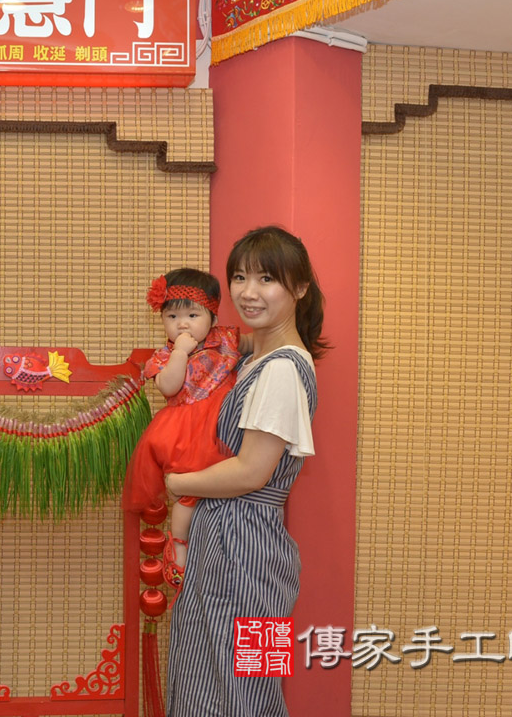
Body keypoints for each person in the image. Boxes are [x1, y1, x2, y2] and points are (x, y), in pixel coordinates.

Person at [164, 226, 327, 716]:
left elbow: (252, 471)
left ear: (300, 288)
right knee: (217, 675)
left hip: (243, 542)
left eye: (267, 279)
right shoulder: (259, 356)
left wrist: (178, 483)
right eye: (239, 277)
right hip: (241, 541)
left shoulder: (281, 369)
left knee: (243, 689)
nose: (248, 292)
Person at [121, 268, 241, 588]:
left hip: (223, 424)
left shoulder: (226, 340)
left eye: (192, 315)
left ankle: (213, 551)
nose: (182, 324)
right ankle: (178, 546)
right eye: (172, 316)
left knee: (223, 489)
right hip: (187, 431)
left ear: (213, 318)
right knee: (187, 494)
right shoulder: (164, 356)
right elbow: (170, 387)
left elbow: (257, 345)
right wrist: (179, 353)